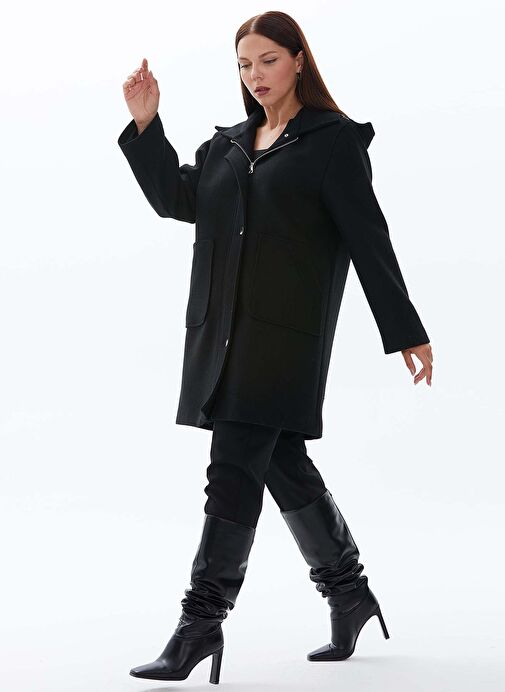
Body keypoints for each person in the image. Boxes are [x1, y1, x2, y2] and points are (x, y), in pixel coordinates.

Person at [118, 10, 433, 684]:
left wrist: (404, 329)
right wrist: (147, 126)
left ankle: (200, 622)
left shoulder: (332, 141)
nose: (254, 75)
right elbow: (177, 200)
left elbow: (367, 237)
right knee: (281, 462)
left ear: (297, 60)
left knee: (232, 467)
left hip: (283, 341)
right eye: (243, 64)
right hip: (221, 336)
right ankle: (348, 592)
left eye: (267, 60)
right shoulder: (228, 146)